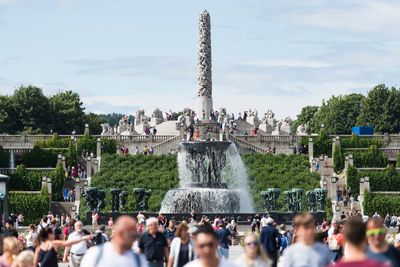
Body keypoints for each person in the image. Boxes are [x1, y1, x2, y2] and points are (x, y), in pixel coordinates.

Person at [81, 216, 148, 267]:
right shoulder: (95, 254)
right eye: (131, 235)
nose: (134, 239)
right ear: (118, 233)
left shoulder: (139, 259)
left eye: (135, 235)